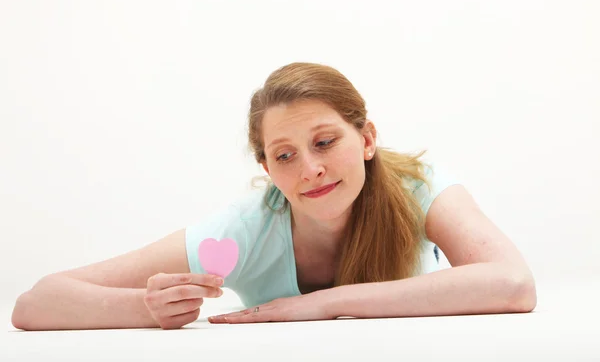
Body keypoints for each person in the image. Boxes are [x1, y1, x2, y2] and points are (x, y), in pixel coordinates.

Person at [11, 62, 536, 331]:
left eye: (325, 142)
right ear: (267, 168)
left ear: (368, 138)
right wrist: (147, 308)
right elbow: (36, 303)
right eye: (284, 156)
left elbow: (513, 285)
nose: (310, 170)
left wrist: (325, 305)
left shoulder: (420, 188)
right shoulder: (244, 231)